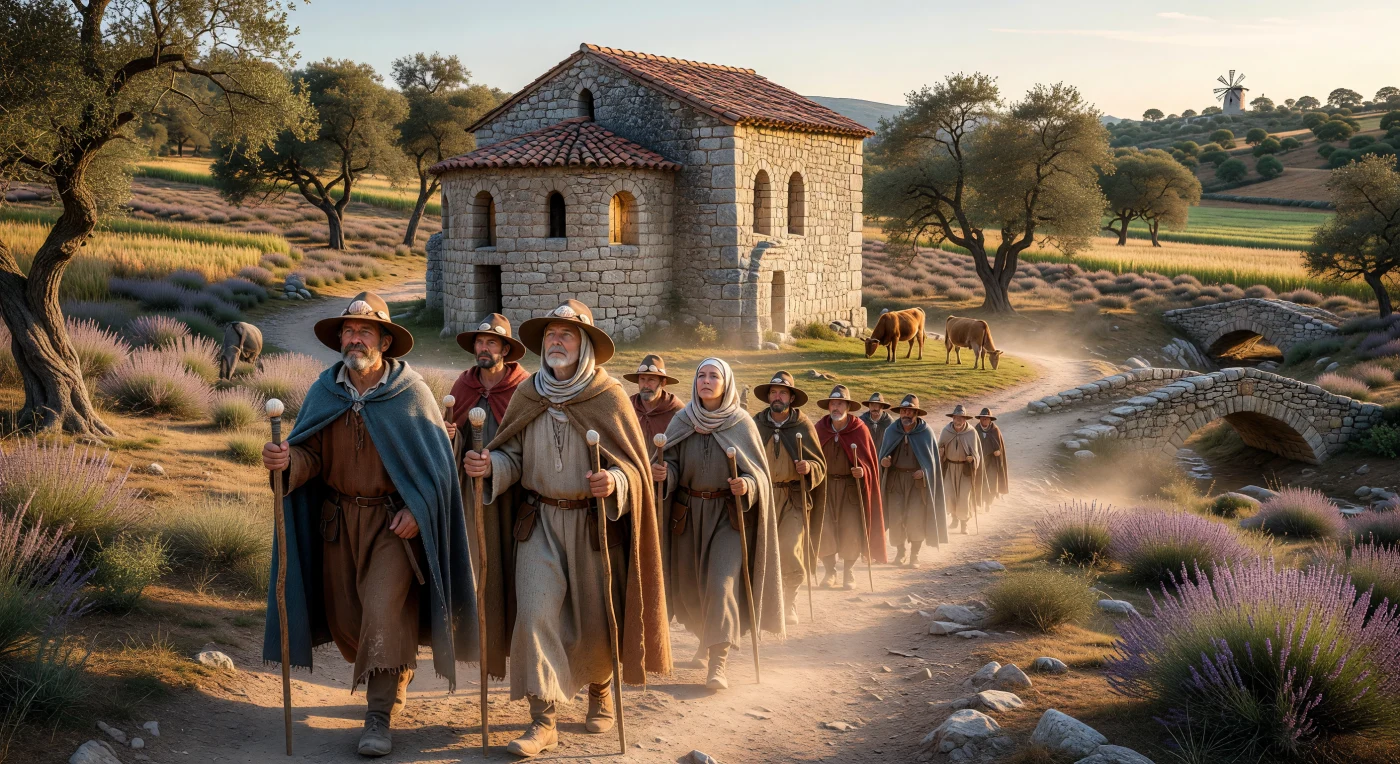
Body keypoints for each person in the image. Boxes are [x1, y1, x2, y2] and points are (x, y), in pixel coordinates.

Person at [260, 292, 477, 758]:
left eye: (364, 331)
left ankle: (378, 714)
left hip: (391, 526)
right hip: (337, 524)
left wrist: (418, 512)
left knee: (383, 609)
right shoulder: (326, 390)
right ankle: (396, 671)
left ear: (384, 340)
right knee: (349, 618)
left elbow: (439, 470)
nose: (354, 338)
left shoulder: (410, 392)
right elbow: (310, 455)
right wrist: (285, 462)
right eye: (348, 330)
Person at [461, 300, 669, 758]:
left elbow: (633, 468)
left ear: (586, 346)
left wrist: (613, 480)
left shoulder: (608, 396)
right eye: (551, 335)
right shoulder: (528, 395)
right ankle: (544, 719)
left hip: (594, 526)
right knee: (535, 614)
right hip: (537, 524)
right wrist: (488, 464)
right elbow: (512, 456)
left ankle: (599, 690)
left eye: (567, 335)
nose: (556, 341)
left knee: (595, 616)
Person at [656, 359, 785, 689]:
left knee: (720, 585)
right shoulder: (682, 421)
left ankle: (719, 661)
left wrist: (748, 486)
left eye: (714, 375)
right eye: (702, 375)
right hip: (686, 518)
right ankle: (706, 638)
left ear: (726, 383)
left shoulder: (740, 423)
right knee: (690, 588)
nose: (707, 380)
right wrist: (663, 474)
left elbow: (759, 477)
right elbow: (668, 464)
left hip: (729, 518)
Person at [448, 313, 530, 681]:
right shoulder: (463, 386)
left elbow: (532, 442)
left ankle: (514, 643)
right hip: (473, 496)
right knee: (478, 567)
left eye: (491, 343)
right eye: (480, 342)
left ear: (505, 350)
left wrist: (499, 467)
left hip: (514, 495)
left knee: (513, 570)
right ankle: (479, 643)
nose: (484, 348)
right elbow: (451, 442)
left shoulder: (524, 387)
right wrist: (450, 435)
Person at [751, 371, 826, 626]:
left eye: (783, 392)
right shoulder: (755, 424)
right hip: (761, 498)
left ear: (791, 397)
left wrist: (809, 469)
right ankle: (764, 601)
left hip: (793, 497)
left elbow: (819, 465)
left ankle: (789, 599)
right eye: (773, 392)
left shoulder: (802, 426)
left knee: (789, 548)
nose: (777, 396)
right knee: (762, 551)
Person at [814, 385, 887, 589]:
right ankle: (830, 572)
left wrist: (862, 472)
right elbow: (811, 457)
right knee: (825, 529)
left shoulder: (858, 429)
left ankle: (849, 572)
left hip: (850, 488)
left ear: (847, 406)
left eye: (840, 403)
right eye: (833, 403)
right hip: (825, 488)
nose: (835, 407)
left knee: (851, 530)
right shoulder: (820, 428)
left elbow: (870, 464)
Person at [878, 395, 948, 568]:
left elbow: (932, 462)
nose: (906, 414)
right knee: (896, 518)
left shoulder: (925, 432)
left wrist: (924, 472)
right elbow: (883, 455)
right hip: (895, 481)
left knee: (915, 518)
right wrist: (883, 462)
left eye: (910, 411)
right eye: (903, 410)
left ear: (917, 413)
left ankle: (914, 555)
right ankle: (900, 552)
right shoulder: (891, 430)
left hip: (917, 484)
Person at [938, 404, 984, 534]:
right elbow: (939, 450)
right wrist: (940, 452)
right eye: (956, 418)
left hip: (965, 470)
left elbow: (976, 454)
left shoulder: (971, 433)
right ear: (952, 418)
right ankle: (954, 519)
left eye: (961, 418)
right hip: (950, 468)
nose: (958, 421)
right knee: (950, 495)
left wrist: (972, 460)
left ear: (965, 419)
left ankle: (964, 524)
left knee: (964, 497)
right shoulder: (946, 431)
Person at [625, 353, 684, 453]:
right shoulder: (627, 407)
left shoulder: (678, 412)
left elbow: (682, 451)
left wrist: (668, 466)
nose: (646, 385)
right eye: (642, 379)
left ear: (663, 383)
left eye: (651, 380)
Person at [975, 408, 1009, 511]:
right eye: (982, 418)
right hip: (980, 462)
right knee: (980, 483)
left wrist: (998, 452)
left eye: (986, 419)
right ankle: (980, 502)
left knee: (992, 482)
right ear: (980, 419)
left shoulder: (995, 430)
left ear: (990, 420)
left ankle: (988, 502)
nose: (984, 420)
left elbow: (1000, 447)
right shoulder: (975, 430)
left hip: (992, 462)